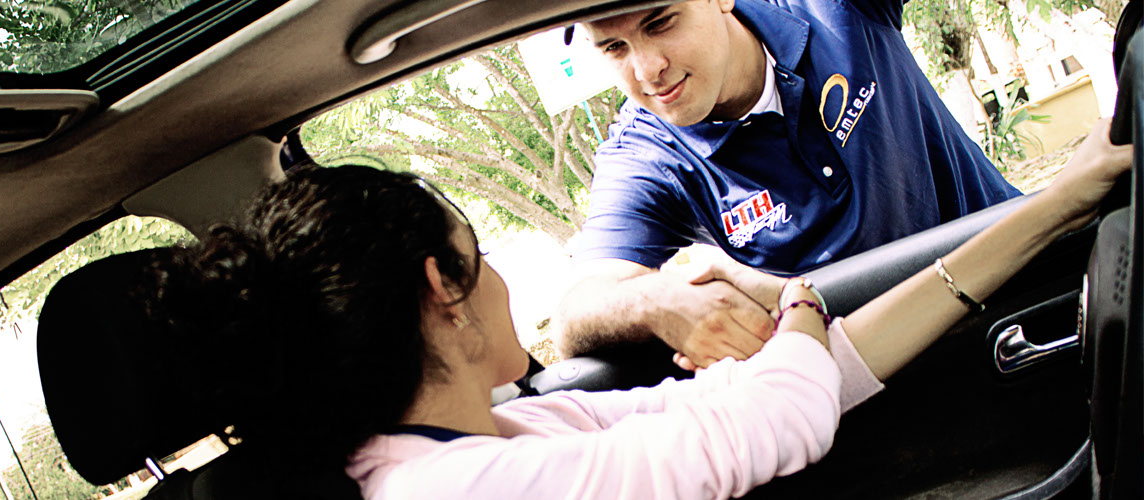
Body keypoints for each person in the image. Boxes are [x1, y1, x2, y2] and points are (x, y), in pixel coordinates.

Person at [142, 119, 1127, 499]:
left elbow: (788, 387)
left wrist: (1057, 206)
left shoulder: (498, 432)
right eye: (475, 254)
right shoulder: (447, 492)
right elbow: (774, 409)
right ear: (442, 289)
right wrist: (785, 300)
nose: (498, 282)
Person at [555, 0, 1025, 367]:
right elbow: (579, 309)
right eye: (614, 48)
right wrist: (656, 298)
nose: (646, 69)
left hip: (1022, 290)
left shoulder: (830, 9)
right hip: (876, 377)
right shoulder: (645, 154)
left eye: (661, 23)